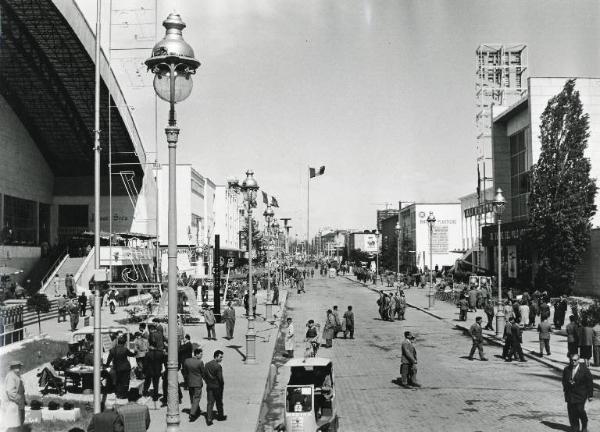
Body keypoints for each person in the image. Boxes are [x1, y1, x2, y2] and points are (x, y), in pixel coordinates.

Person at [562, 353, 593, 432]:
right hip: (570, 394)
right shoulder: (566, 369)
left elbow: (589, 382)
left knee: (580, 410)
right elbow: (563, 381)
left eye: (575, 360)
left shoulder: (584, 370)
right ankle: (575, 427)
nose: (573, 362)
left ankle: (584, 424)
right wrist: (568, 384)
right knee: (572, 412)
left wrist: (590, 395)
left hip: (581, 394)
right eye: (571, 360)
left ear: (578, 360)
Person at [204, 350, 226, 426]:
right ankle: (220, 416)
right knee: (219, 402)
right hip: (217, 387)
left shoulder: (207, 364)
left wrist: (207, 382)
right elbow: (220, 379)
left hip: (209, 386)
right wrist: (222, 385)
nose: (221, 359)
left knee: (210, 403)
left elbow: (204, 375)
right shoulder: (218, 366)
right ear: (216, 356)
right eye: (220, 357)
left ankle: (209, 419)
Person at [184, 348, 206, 422]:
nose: (201, 355)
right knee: (196, 398)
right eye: (201, 354)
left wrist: (186, 381)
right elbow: (203, 374)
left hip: (190, 383)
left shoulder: (187, 361)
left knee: (192, 397)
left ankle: (197, 410)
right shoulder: (200, 362)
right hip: (197, 383)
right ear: (197, 354)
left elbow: (185, 372)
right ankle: (192, 414)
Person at [4, 361, 25, 431]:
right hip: (13, 404)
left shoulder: (16, 376)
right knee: (13, 425)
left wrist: (23, 400)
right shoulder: (11, 376)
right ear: (13, 367)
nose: (19, 368)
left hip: (17, 403)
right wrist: (19, 399)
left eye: (19, 366)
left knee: (18, 423)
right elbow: (10, 391)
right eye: (17, 366)